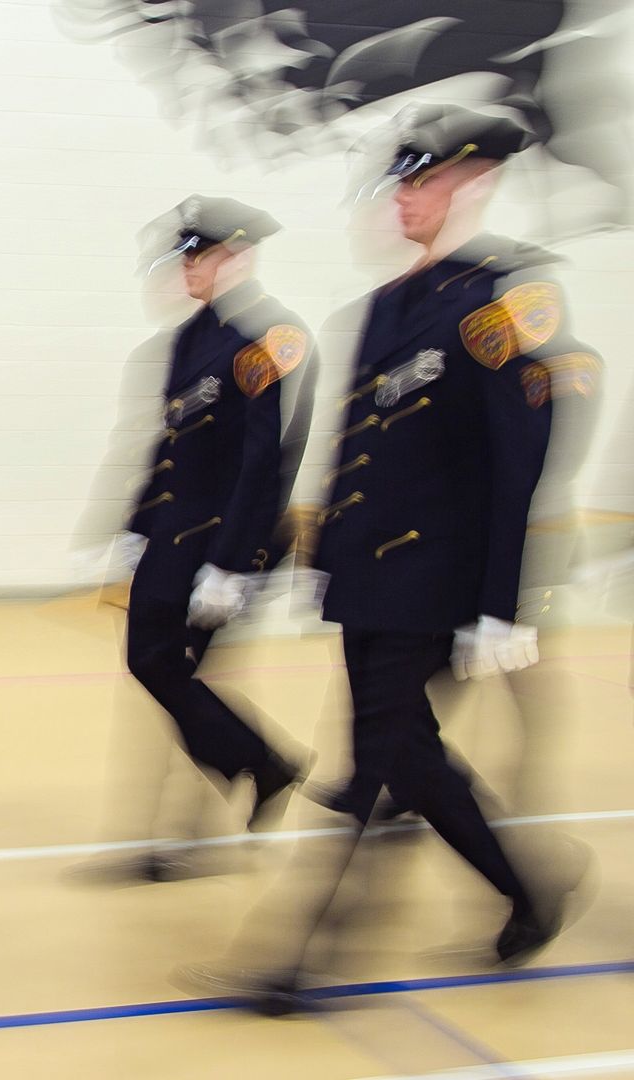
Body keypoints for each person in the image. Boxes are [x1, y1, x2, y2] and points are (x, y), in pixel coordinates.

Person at [207, 105, 594, 1010]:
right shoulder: (385, 307)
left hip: (440, 581)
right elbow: (359, 451)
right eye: (400, 184)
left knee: (376, 761)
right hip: (372, 579)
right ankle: (530, 890)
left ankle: (304, 956)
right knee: (406, 760)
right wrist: (324, 560)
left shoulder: (506, 293)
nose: (404, 201)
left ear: (472, 183)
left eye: (421, 183)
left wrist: (505, 603)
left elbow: (522, 454)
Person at [118, 197, 311, 836]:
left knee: (172, 667)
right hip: (174, 536)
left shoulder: (270, 336)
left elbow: (266, 460)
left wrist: (232, 565)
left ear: (236, 255)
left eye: (198, 256)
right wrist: (136, 523)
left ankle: (223, 793)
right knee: (150, 662)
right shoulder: (189, 339)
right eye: (184, 257)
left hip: (225, 540)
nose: (186, 269)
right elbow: (169, 440)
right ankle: (257, 764)